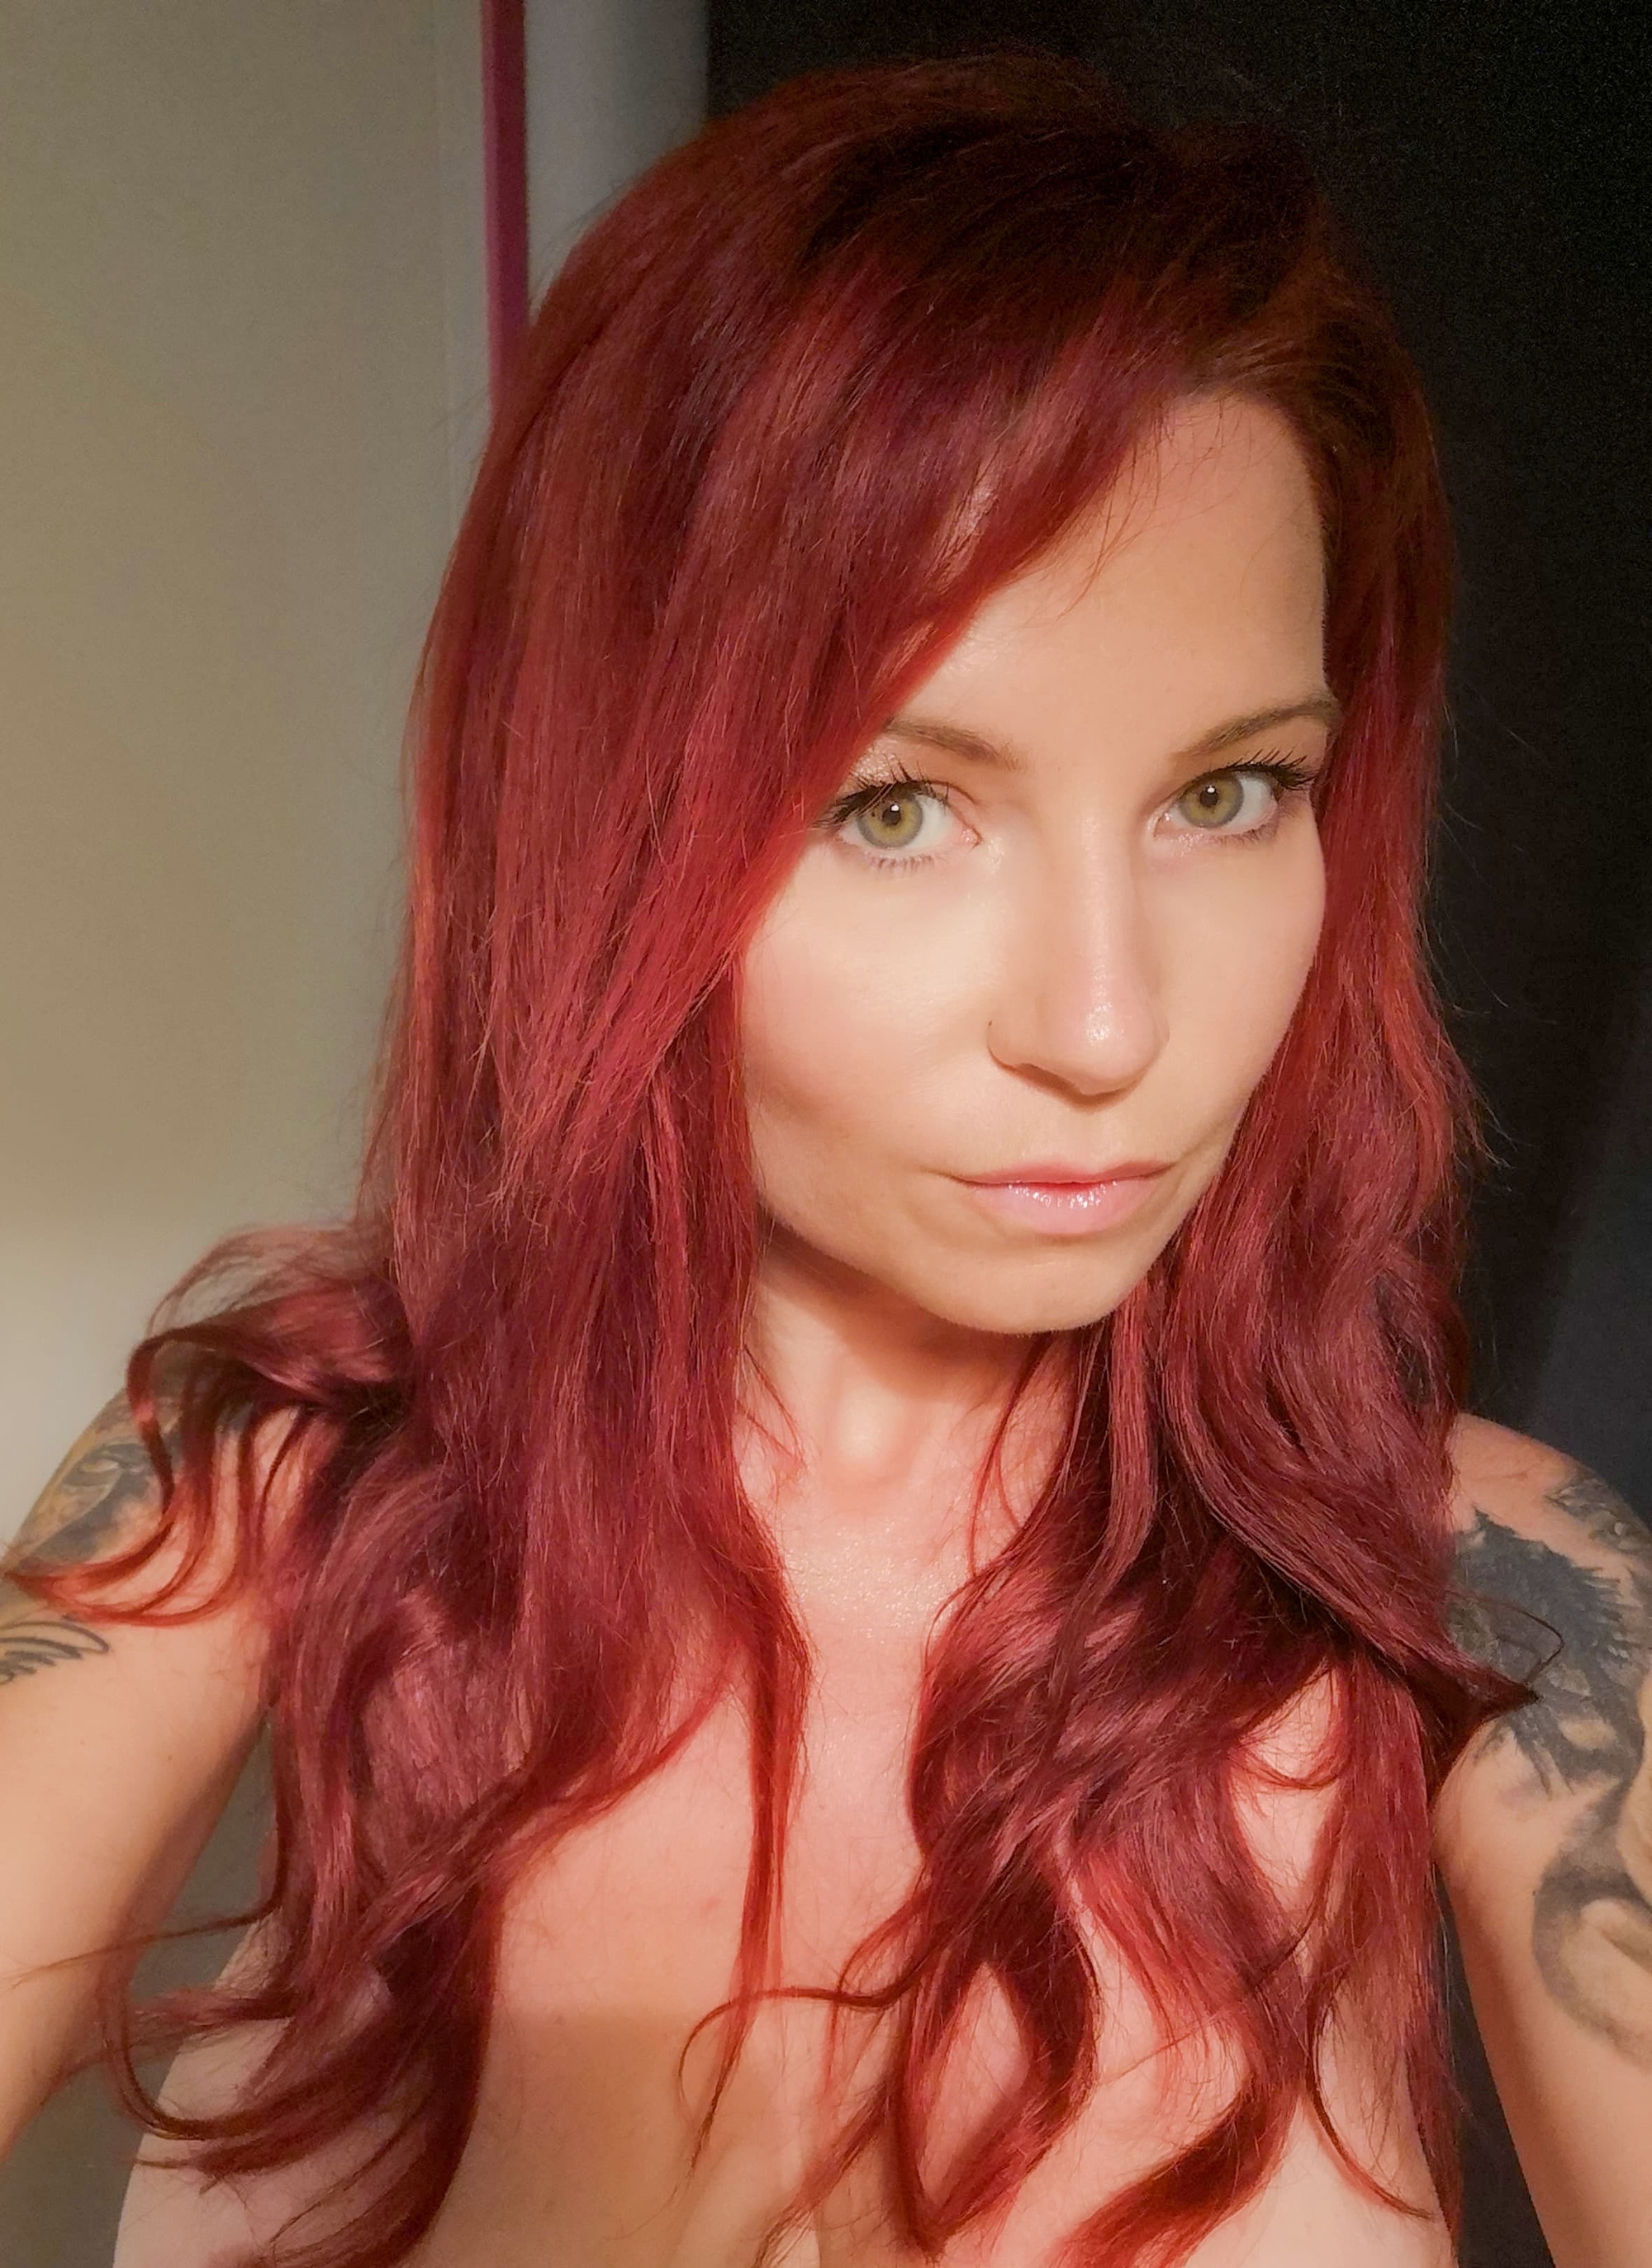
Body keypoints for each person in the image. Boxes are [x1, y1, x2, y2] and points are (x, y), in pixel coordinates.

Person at [2, 53, 1649, 2268]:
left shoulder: (1496, 1604)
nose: (1107, 1029)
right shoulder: (264, 1478)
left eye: (1229, 794)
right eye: (896, 808)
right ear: (607, 829)